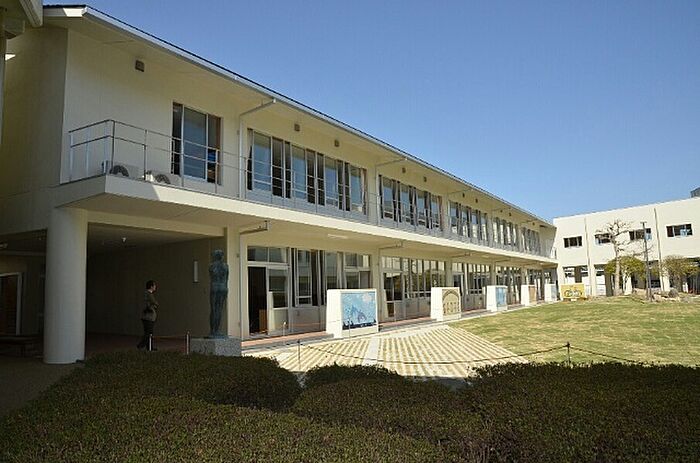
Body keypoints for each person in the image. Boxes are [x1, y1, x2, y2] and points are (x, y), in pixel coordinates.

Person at [137, 280, 159, 351]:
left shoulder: (147, 294)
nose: (155, 287)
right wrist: (154, 305)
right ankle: (141, 345)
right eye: (154, 285)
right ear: (151, 286)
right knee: (149, 333)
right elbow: (154, 303)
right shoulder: (148, 294)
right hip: (148, 317)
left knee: (149, 333)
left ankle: (149, 347)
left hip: (148, 317)